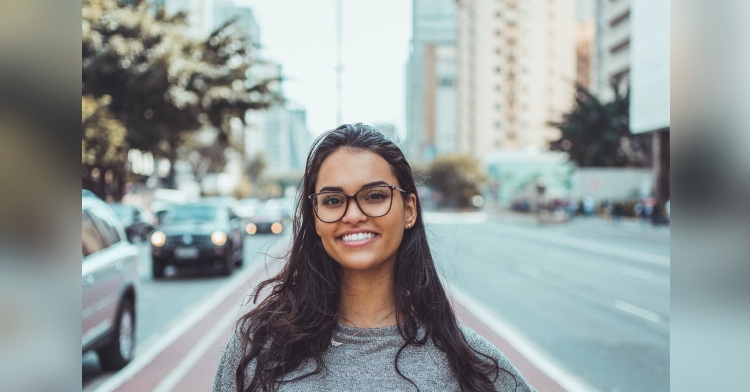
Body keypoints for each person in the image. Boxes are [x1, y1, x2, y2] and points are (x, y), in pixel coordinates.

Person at [213, 124, 535, 391]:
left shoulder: (469, 364)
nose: (353, 214)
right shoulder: (257, 350)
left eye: (375, 196)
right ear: (314, 217)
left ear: (409, 210)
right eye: (333, 200)